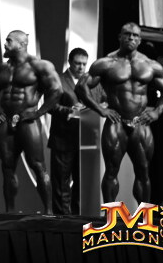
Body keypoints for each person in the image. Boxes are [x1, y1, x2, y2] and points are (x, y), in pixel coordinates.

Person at [76, 22, 163, 203]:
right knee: (111, 171)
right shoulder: (106, 63)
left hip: (140, 124)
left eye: (135, 35)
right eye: (127, 34)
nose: (131, 38)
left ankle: (145, 217)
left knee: (143, 171)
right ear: (120, 37)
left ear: (140, 40)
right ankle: (110, 217)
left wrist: (157, 112)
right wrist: (101, 109)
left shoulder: (150, 65)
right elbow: (81, 87)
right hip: (116, 123)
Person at [0, 30, 62, 214]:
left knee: (38, 166)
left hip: (27, 121)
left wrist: (38, 113)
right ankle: (10, 212)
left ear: (22, 44)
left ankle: (48, 212)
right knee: (7, 167)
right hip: (6, 121)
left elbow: (56, 91)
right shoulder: (2, 69)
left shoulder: (39, 66)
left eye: (9, 41)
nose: (5, 44)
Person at [48, 47, 104, 215]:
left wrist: (99, 107)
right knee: (61, 185)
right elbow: (49, 106)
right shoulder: (58, 80)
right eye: (77, 63)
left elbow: (105, 102)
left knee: (82, 185)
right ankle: (62, 221)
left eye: (84, 64)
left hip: (87, 143)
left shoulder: (94, 83)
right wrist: (69, 110)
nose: (81, 67)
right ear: (69, 62)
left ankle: (79, 221)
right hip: (63, 139)